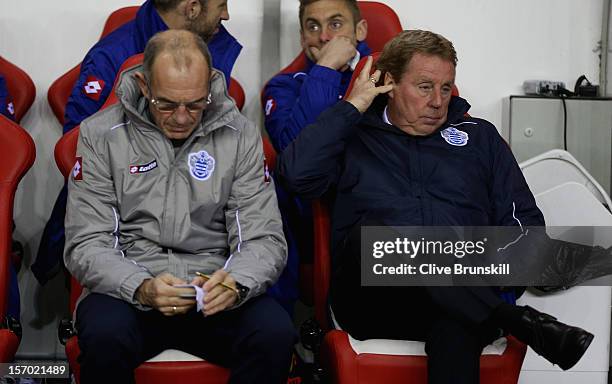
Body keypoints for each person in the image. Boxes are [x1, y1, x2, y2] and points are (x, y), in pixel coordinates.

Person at [276, 30, 593, 383]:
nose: (438, 101)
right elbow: (294, 176)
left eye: (446, 88)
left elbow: (525, 229)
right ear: (389, 83)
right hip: (374, 299)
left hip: (464, 298)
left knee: (458, 319)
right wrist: (352, 107)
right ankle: (514, 320)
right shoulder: (353, 137)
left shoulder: (480, 138)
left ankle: (497, 311)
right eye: (425, 87)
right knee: (373, 237)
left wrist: (491, 282)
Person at [64, 30, 295, 384]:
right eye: (167, 104)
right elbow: (87, 242)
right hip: (131, 291)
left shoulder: (241, 136)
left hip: (213, 290)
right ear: (144, 86)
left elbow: (262, 237)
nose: (183, 118)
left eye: (196, 104)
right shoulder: (100, 135)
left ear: (210, 88)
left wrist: (236, 283)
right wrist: (140, 286)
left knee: (275, 334)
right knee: (103, 336)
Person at [34, 0, 242, 288]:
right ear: (192, 8)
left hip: (202, 234)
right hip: (123, 229)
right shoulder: (111, 58)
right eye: (221, 5)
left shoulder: (212, 46)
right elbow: (77, 153)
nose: (226, 15)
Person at [261, 0, 369, 311]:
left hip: (378, 201)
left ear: (360, 30)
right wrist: (324, 71)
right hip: (313, 209)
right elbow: (298, 156)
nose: (323, 37)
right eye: (312, 26)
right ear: (301, 36)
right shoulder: (282, 87)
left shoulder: (386, 76)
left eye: (335, 24)